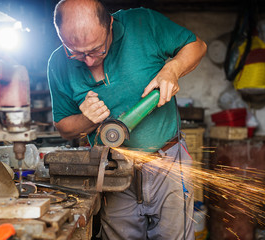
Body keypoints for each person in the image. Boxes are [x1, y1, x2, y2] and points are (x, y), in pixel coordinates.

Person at [47, 0, 207, 239]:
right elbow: (63, 127)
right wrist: (86, 119)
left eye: (96, 50)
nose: (89, 61)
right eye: (76, 53)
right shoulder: (57, 64)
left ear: (110, 24)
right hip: (113, 172)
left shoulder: (143, 24)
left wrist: (172, 69)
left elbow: (197, 46)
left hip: (168, 163)